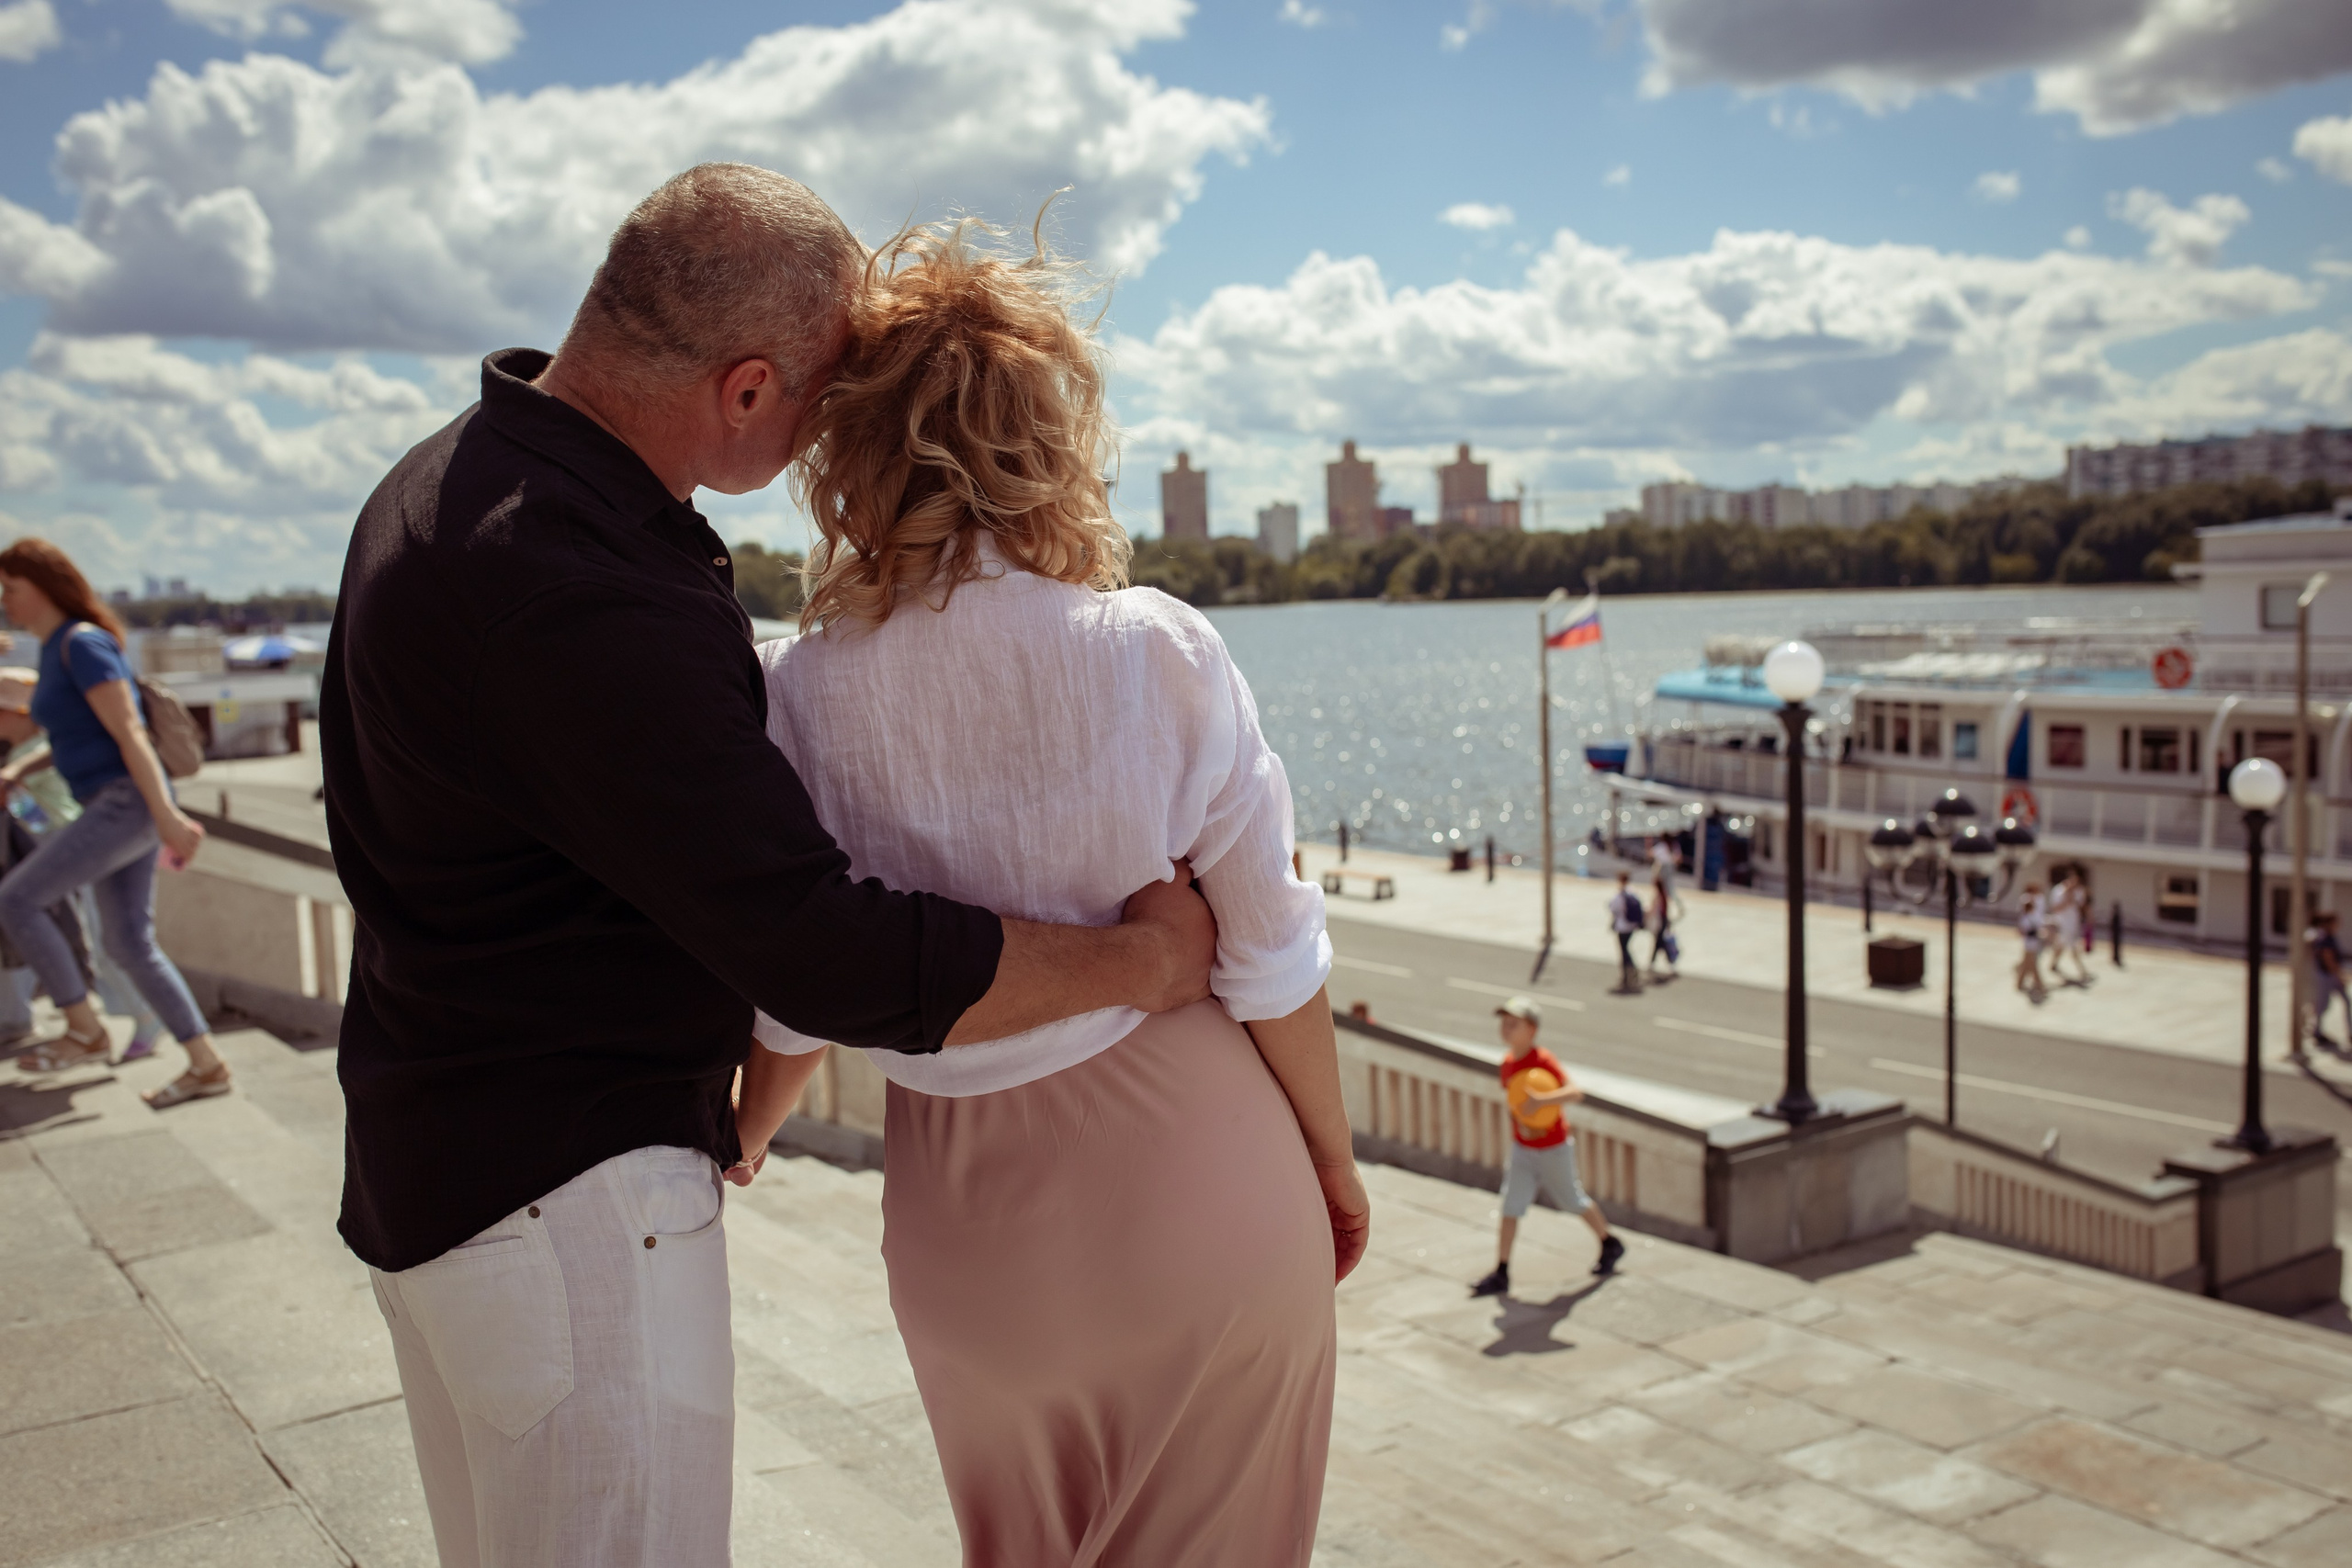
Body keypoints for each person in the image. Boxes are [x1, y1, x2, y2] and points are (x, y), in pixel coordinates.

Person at [325, 165, 1217, 1568]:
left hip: (442, 1162)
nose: (826, 445)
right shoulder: (576, 583)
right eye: (821, 401)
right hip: (569, 1212)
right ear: (746, 388)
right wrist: (1150, 956)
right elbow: (820, 947)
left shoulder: (444, 479)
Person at [730, 215, 1363, 1568]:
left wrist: (750, 1128)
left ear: (848, 454)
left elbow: (797, 976)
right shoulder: (1152, 650)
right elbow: (1268, 956)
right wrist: (1330, 1160)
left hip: (963, 1232)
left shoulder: (792, 690)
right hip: (1202, 1189)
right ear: (1048, 440)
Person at [0, 544, 225, 1105]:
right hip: (115, 803)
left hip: (124, 803)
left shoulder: (83, 643)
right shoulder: (54, 649)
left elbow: (130, 735)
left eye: (10, 588)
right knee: (128, 941)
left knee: (16, 899)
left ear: (42, 584)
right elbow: (74, 736)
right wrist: (20, 769)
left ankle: (84, 1029)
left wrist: (168, 816)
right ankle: (207, 1064)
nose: (3, 600)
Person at [0, 667, 165, 1060]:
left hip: (74, 854)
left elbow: (47, 818)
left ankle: (141, 1018)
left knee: (105, 944)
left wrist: (13, 791)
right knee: (102, 943)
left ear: (22, 715)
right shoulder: (30, 753)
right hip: (70, 856)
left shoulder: (32, 756)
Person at [1469, 996, 1621, 1297]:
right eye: (1504, 1023)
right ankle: (1501, 1271)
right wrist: (1525, 1121)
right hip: (1523, 1148)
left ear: (1532, 1029)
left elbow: (1575, 1093)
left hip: (1554, 1148)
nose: (1506, 1028)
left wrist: (1543, 1102)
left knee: (1572, 1200)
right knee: (1511, 1206)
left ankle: (1609, 1242)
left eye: (1514, 1024)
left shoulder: (1542, 1060)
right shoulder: (1508, 1064)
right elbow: (1517, 1104)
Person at [2308, 909, 2348, 1050]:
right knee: (2323, 1005)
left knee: (2343, 1002)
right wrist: (2338, 976)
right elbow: (2328, 958)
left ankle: (2317, 1029)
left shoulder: (2327, 936)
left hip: (2328, 975)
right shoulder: (2325, 938)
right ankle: (2316, 1031)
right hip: (2327, 976)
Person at [2049, 870, 2093, 987]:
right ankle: (2082, 970)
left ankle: (2053, 964)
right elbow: (2055, 908)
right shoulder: (2058, 891)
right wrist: (2067, 898)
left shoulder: (2079, 891)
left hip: (2073, 924)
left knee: (2062, 947)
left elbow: (2082, 907)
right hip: (2062, 924)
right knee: (2069, 947)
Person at [1609, 870, 1644, 992]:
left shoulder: (1620, 894)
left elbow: (1613, 908)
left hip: (1622, 926)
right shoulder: (1633, 891)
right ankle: (1631, 971)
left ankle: (1627, 974)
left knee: (1623, 951)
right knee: (1626, 949)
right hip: (1631, 926)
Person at [2014, 882, 2047, 1002]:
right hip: (2030, 942)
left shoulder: (2032, 916)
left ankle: (2019, 982)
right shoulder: (2028, 917)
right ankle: (2039, 984)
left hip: (2032, 941)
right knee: (2031, 963)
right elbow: (2025, 930)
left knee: (2027, 962)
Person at [1646, 865, 1679, 978]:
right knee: (1660, 944)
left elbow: (1654, 911)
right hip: (1664, 921)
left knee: (1660, 944)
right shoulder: (1663, 895)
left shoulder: (1657, 897)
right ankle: (1657, 963)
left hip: (1660, 923)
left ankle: (1655, 963)